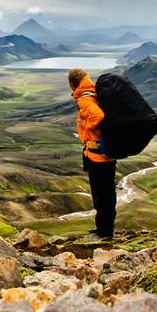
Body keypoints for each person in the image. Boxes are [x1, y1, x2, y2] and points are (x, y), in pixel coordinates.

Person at [68, 68, 117, 239]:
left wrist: (86, 125)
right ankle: (104, 229)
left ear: (72, 84)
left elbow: (97, 115)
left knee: (101, 196)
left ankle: (104, 233)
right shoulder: (94, 93)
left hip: (98, 157)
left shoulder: (85, 99)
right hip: (105, 154)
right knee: (107, 194)